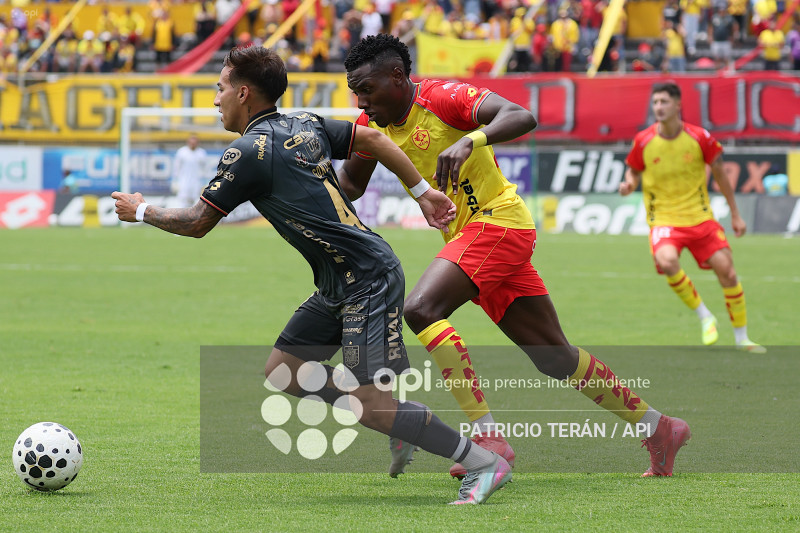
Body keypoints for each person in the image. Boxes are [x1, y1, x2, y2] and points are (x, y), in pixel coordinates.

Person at [111, 45, 509, 505]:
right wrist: (421, 192)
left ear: (243, 93)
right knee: (285, 371)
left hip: (369, 280)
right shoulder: (305, 123)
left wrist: (141, 210)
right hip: (340, 281)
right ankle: (401, 418)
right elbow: (374, 139)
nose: (215, 99)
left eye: (219, 89)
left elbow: (198, 222)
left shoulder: (246, 153)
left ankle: (482, 462)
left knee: (371, 407)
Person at [340, 33, 691, 480]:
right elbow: (351, 185)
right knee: (554, 356)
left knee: (421, 309)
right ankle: (659, 427)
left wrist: (472, 140)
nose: (361, 101)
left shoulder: (441, 98)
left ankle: (488, 439)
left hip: (499, 223)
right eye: (356, 92)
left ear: (396, 76)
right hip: (476, 238)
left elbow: (521, 115)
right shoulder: (371, 127)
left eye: (367, 89)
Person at [620, 82, 765, 353]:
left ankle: (742, 339)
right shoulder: (643, 140)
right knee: (666, 260)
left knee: (728, 271)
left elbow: (721, 175)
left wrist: (735, 214)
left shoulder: (700, 138)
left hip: (700, 218)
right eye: (655, 102)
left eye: (664, 102)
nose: (659, 107)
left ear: (678, 105)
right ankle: (705, 316)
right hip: (664, 219)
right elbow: (633, 170)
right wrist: (629, 184)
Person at [171, 135, 209, 207]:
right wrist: (175, 180)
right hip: (184, 182)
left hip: (197, 182)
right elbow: (176, 167)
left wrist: (206, 181)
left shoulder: (201, 153)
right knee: (183, 201)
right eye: (191, 143)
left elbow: (205, 168)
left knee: (196, 202)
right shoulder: (182, 152)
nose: (193, 145)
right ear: (188, 142)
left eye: (194, 143)